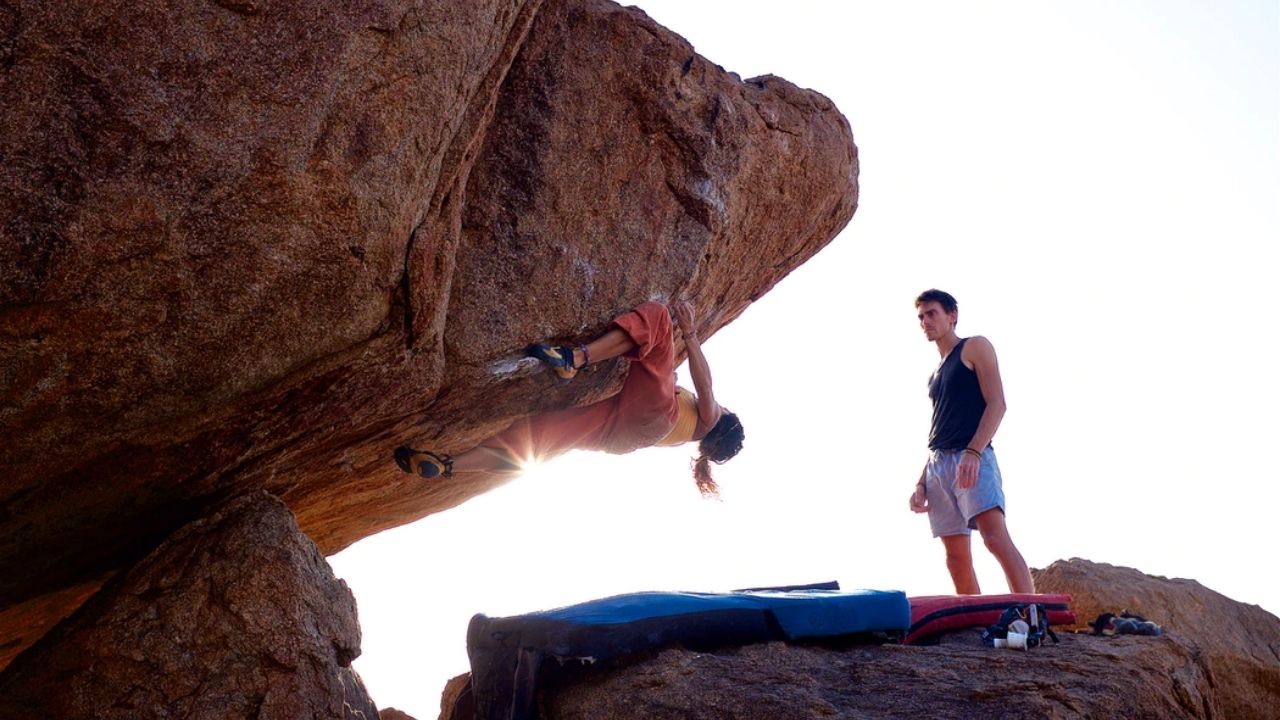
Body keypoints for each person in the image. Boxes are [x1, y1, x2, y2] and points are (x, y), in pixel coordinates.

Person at [394, 301, 743, 496]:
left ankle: (574, 359)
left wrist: (692, 333)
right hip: (622, 438)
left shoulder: (708, 420)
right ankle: (449, 464)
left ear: (722, 423)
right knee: (538, 438)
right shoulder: (685, 434)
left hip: (652, 415)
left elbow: (706, 386)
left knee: (659, 321)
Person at [909, 289, 1034, 594]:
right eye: (921, 317)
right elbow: (939, 429)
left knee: (994, 539)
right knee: (955, 559)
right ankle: (972, 626)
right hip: (939, 465)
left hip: (971, 457)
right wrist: (921, 482)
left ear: (952, 316)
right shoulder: (934, 375)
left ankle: (1031, 613)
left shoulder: (974, 347)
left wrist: (974, 451)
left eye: (932, 313)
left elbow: (997, 403)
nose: (926, 321)